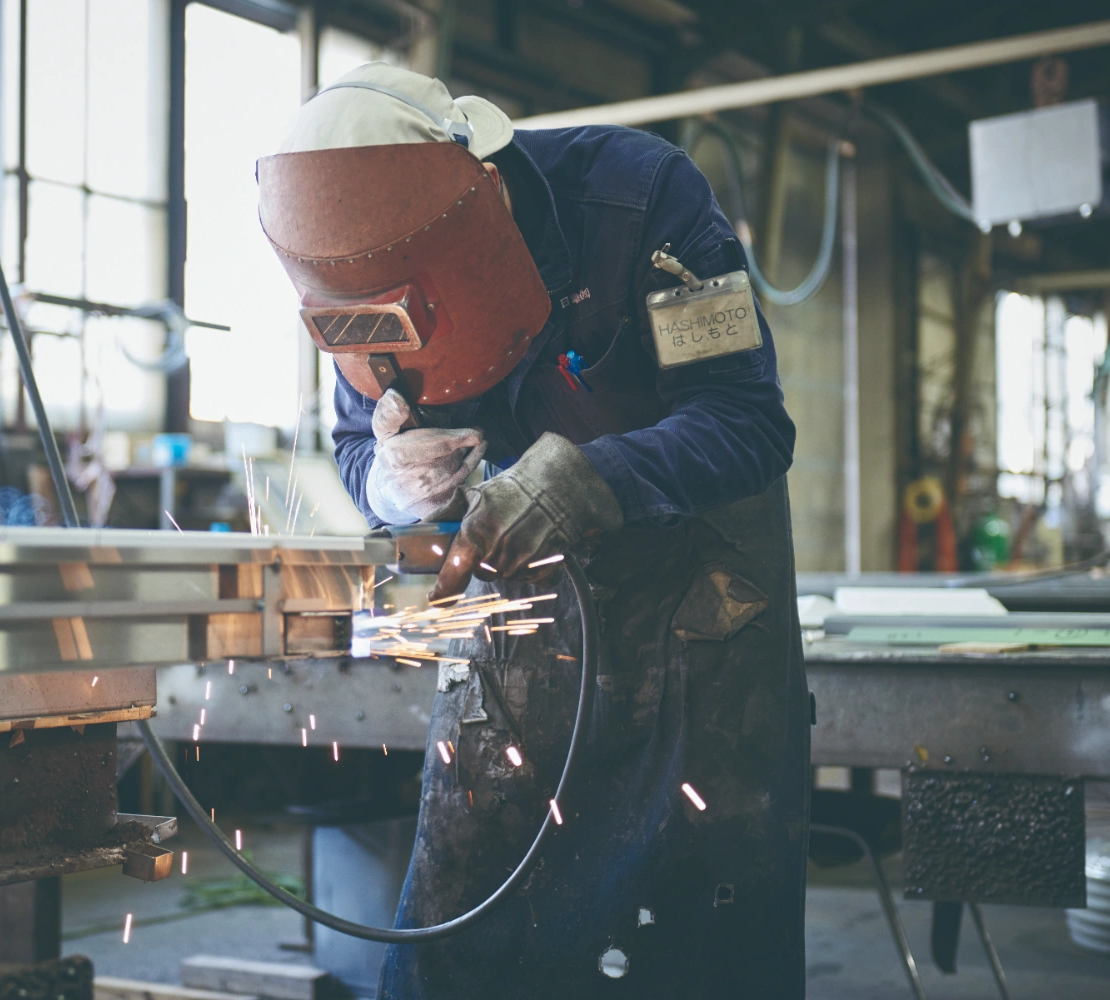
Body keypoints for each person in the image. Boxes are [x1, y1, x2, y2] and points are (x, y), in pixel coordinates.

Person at [258, 62, 810, 999]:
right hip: (518, 642)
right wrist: (390, 483)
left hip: (703, 624)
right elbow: (357, 443)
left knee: (692, 949)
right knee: (458, 951)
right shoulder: (359, 288)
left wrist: (592, 477)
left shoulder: (643, 200)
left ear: (488, 189)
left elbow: (747, 421)